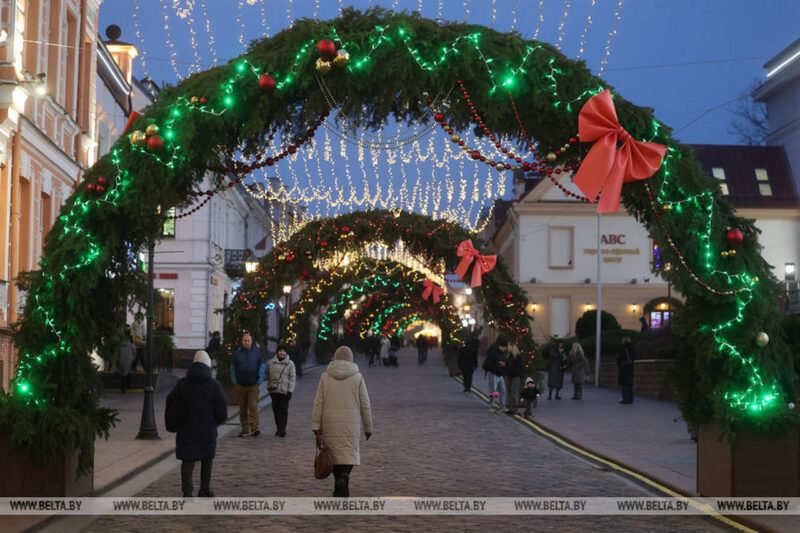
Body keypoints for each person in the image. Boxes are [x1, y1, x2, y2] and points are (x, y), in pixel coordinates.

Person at [311, 346, 373, 498]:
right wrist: (368, 427)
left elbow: (318, 403)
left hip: (330, 422)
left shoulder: (325, 377)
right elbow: (365, 404)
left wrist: (316, 426)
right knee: (347, 453)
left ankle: (339, 480)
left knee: (333, 453)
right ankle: (344, 476)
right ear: (350, 360)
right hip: (351, 423)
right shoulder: (357, 377)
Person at [166, 351, 228, 497]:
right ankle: (204, 489)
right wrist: (214, 422)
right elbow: (222, 409)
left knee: (188, 460)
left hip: (186, 428)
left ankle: (187, 492)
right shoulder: (213, 385)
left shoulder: (182, 384)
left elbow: (171, 401)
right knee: (207, 458)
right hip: (207, 429)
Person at [230, 333, 265, 437]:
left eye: (248, 341)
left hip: (253, 385)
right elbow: (232, 368)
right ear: (242, 341)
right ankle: (245, 429)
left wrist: (260, 378)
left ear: (251, 341)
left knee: (253, 406)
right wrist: (234, 381)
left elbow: (262, 366)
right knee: (242, 408)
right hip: (241, 385)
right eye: (245, 341)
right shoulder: (237, 354)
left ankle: (254, 428)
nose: (247, 342)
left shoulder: (257, 353)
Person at [267, 344, 296, 437]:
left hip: (284, 391)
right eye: (280, 351)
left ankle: (282, 429)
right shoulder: (271, 363)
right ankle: (279, 428)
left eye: (284, 351)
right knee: (276, 410)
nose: (282, 353)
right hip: (274, 390)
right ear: (277, 352)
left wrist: (290, 391)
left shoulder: (290, 364)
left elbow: (292, 378)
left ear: (286, 352)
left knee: (283, 410)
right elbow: (267, 374)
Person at [485, 338, 508, 411]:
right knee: (494, 391)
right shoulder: (493, 352)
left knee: (503, 391)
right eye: (505, 347)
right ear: (501, 346)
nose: (505, 349)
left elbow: (504, 361)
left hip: (500, 374)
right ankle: (491, 406)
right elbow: (489, 363)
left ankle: (502, 406)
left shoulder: (502, 353)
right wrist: (496, 367)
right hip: (494, 374)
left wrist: (504, 364)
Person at [504, 343, 523, 415]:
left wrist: (509, 368)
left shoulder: (518, 357)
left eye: (509, 347)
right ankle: (510, 408)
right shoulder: (509, 356)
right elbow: (507, 366)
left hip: (515, 376)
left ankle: (515, 408)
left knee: (513, 392)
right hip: (508, 376)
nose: (507, 348)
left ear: (513, 347)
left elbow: (519, 368)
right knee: (508, 392)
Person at [117, 327, 134, 393]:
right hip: (129, 360)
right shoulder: (130, 344)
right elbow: (134, 351)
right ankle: (128, 386)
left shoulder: (120, 344)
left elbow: (117, 353)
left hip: (121, 360)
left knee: (123, 375)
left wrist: (117, 361)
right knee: (128, 373)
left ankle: (123, 388)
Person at [617, 337, 635, 404]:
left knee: (624, 384)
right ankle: (630, 399)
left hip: (624, 368)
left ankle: (625, 399)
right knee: (630, 384)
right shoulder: (632, 348)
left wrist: (619, 363)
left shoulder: (623, 348)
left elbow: (619, 358)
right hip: (630, 368)